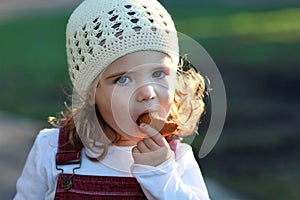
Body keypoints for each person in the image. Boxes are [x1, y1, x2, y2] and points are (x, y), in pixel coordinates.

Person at [14, 0, 210, 199]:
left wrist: (162, 175)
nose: (147, 92)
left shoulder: (177, 159)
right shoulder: (52, 149)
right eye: (123, 79)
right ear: (90, 92)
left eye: (159, 73)